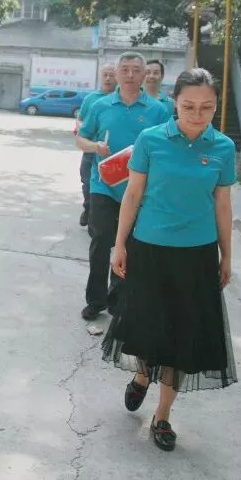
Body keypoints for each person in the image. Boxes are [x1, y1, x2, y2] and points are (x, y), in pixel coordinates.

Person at [102, 68, 238, 451]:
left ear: (216, 107)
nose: (197, 115)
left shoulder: (223, 147)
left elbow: (223, 205)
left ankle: (162, 415)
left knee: (183, 337)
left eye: (207, 107)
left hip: (197, 256)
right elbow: (132, 195)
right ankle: (143, 376)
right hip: (149, 250)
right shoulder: (150, 139)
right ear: (174, 102)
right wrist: (119, 244)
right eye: (188, 106)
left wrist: (227, 255)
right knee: (149, 329)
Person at [76, 52, 171, 322]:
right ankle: (95, 300)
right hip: (103, 185)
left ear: (144, 75)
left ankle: (117, 299)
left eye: (136, 70)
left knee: (129, 244)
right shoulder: (101, 106)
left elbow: (166, 147)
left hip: (139, 189)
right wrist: (95, 146)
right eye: (125, 69)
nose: (130, 75)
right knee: (101, 240)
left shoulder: (158, 110)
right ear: (116, 73)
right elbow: (81, 139)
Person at [75, 63, 117, 227]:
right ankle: (88, 207)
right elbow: (80, 119)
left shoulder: (120, 99)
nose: (108, 78)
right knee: (87, 183)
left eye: (111, 75)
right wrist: (82, 127)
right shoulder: (91, 99)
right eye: (105, 75)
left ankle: (98, 217)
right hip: (91, 149)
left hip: (110, 152)